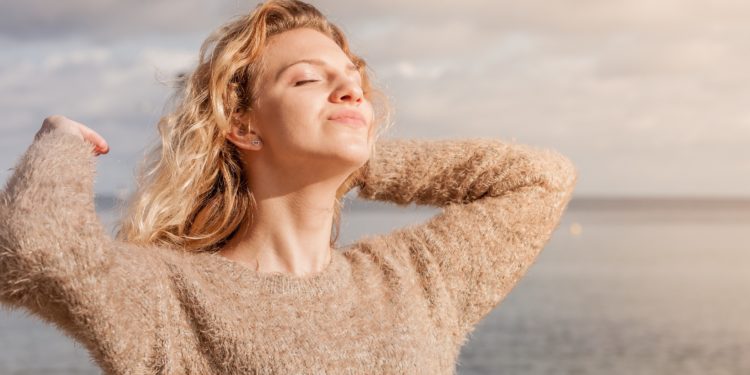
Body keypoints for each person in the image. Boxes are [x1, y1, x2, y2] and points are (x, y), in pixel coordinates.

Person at [0, 0, 578, 374]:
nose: (351, 92)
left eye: (354, 84)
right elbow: (31, 252)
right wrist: (62, 141)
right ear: (242, 125)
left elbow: (539, 180)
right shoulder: (169, 298)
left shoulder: (414, 278)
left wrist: (360, 160)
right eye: (308, 79)